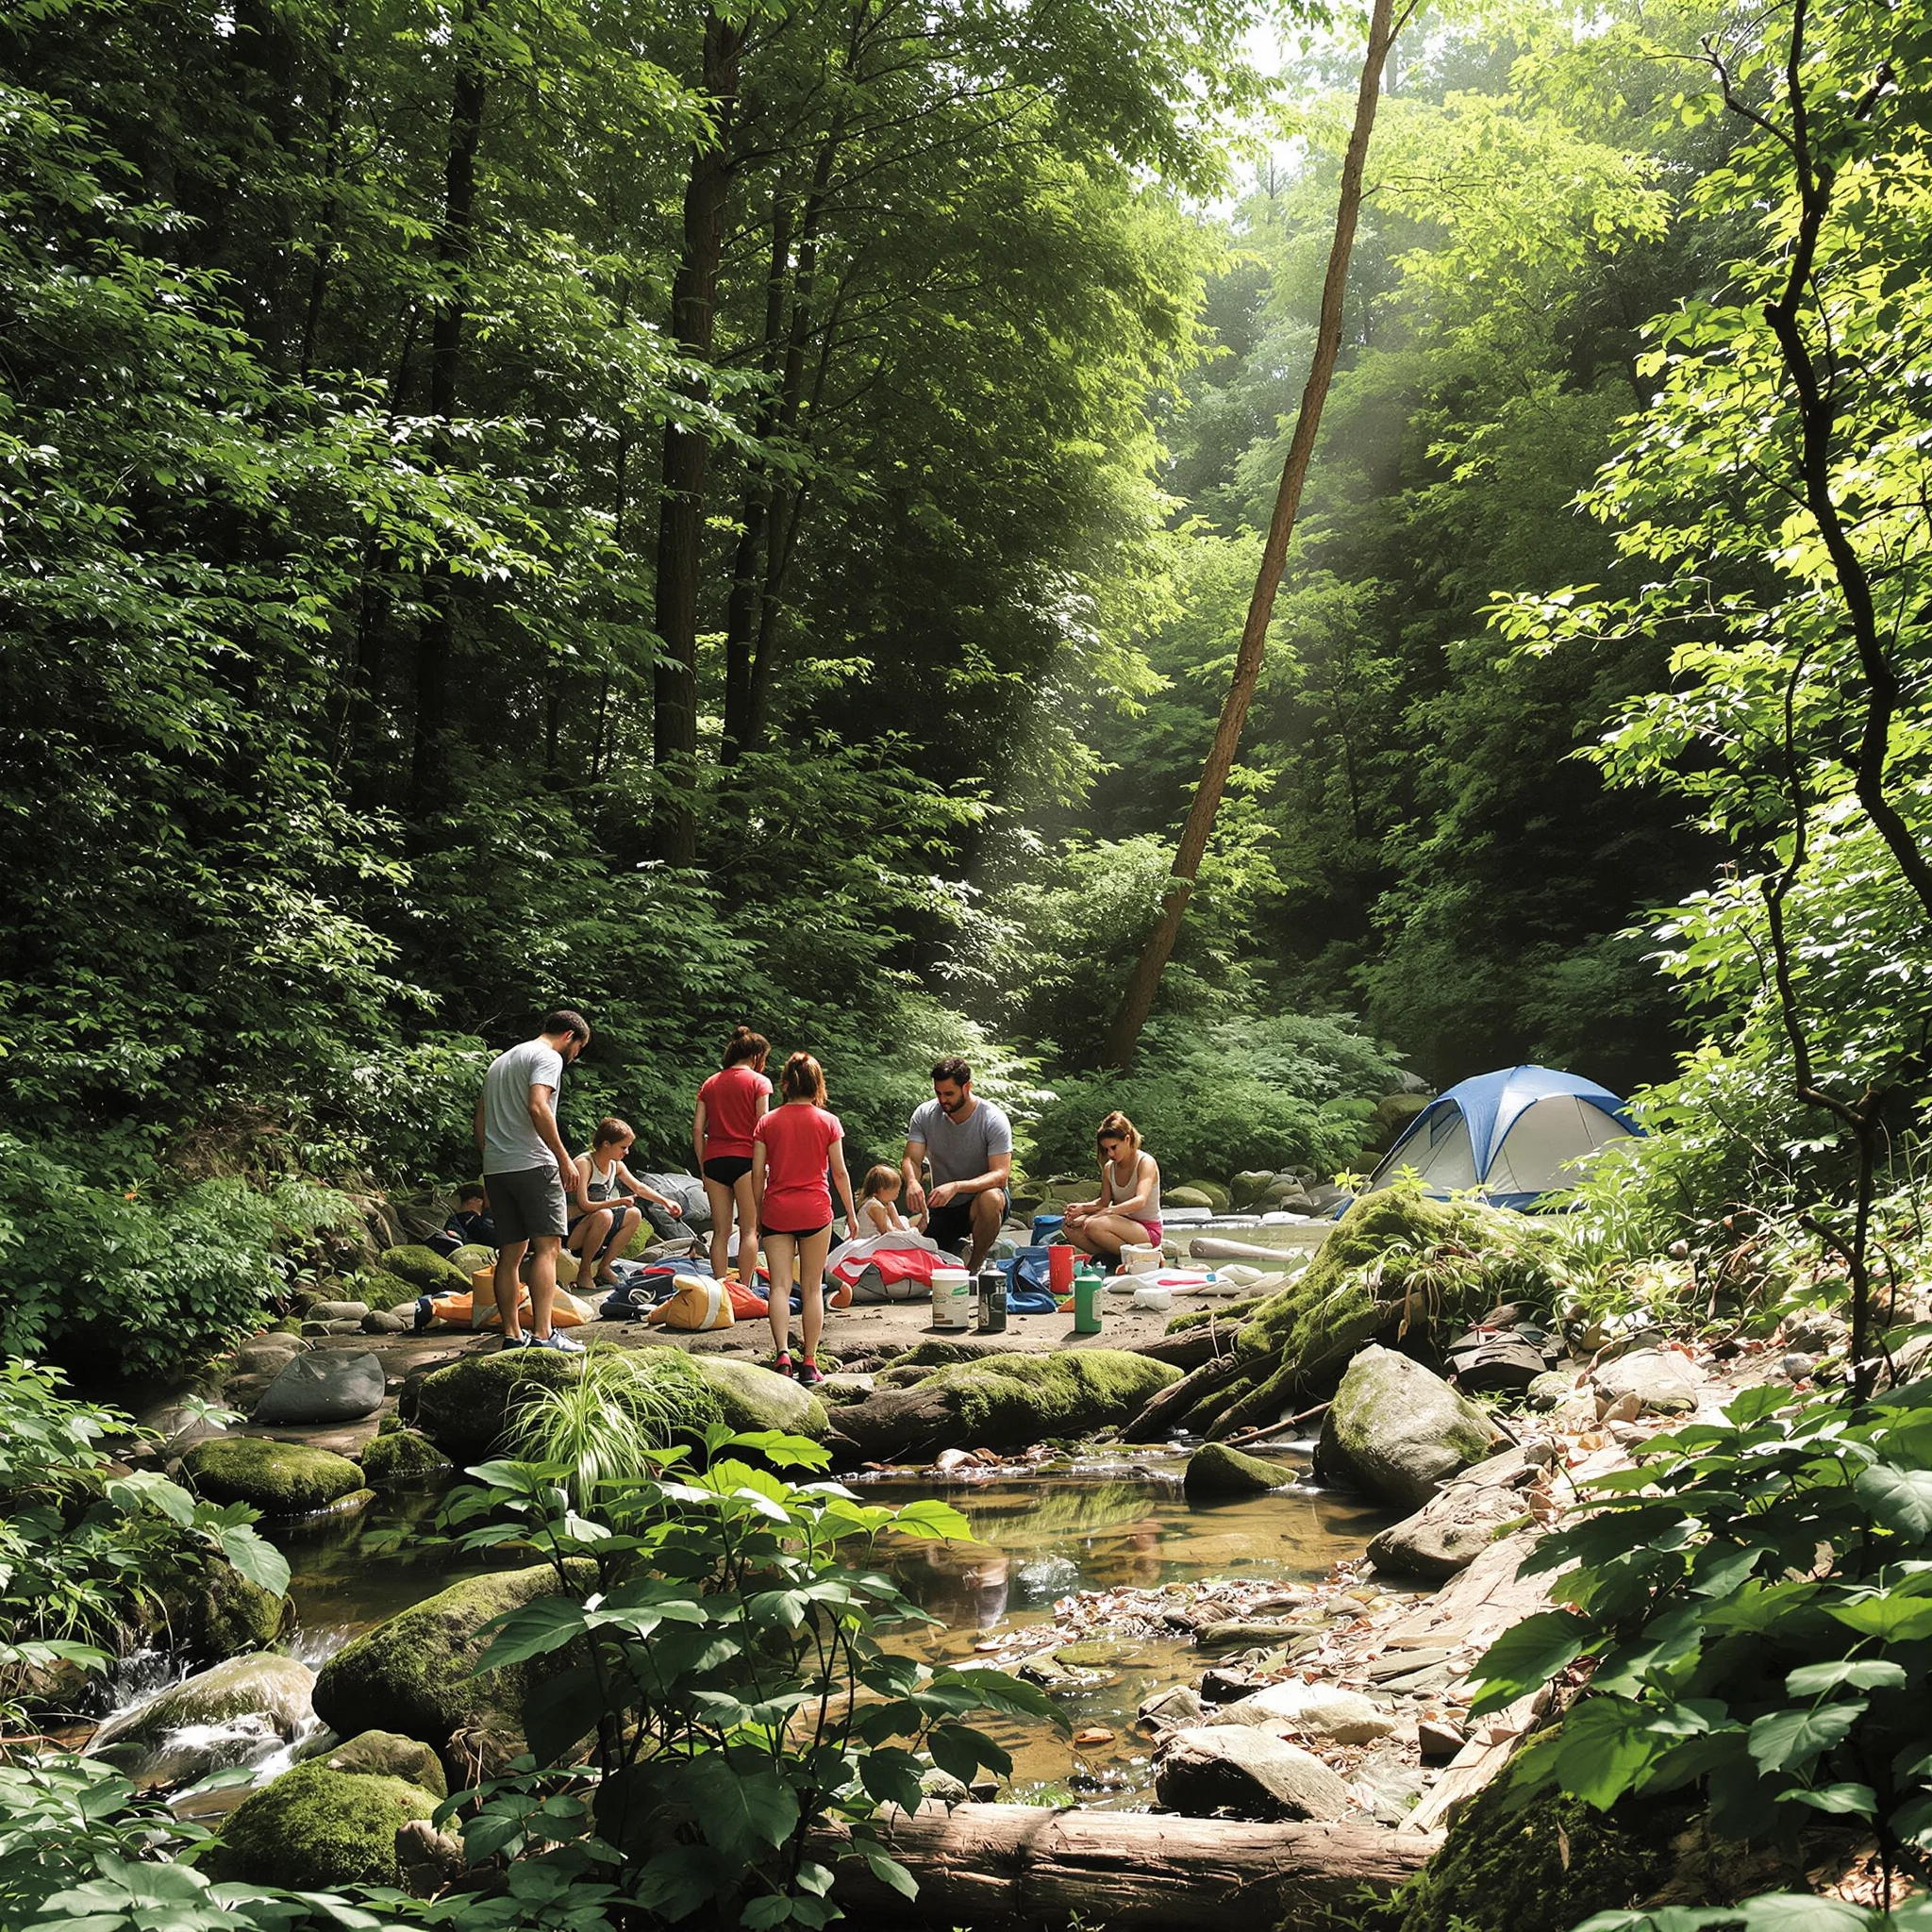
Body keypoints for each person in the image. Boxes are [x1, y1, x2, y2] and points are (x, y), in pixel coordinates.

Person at [474, 1008, 591, 1352]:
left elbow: (480, 1118)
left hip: (497, 1167)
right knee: (548, 1248)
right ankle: (544, 1334)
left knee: (509, 1253)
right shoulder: (547, 1057)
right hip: (533, 1165)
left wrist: (491, 1156)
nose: (574, 1058)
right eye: (578, 1050)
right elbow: (538, 1106)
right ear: (569, 1037)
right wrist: (563, 1157)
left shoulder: (500, 1062)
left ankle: (511, 1335)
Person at [751, 1052, 858, 1385]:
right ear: (817, 1085)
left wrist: (757, 1212)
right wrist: (851, 1214)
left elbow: (757, 1173)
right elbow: (839, 1173)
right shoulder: (828, 1122)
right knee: (813, 1288)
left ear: (785, 1084)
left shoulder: (768, 1122)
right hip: (815, 1211)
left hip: (777, 1211)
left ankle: (783, 1355)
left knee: (780, 1286)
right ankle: (809, 1363)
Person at [902, 1056, 1012, 1273]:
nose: (943, 1100)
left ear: (967, 1087)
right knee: (917, 1257)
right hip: (944, 1206)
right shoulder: (924, 1115)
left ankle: (974, 1267)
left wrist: (957, 1186)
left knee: (991, 1198)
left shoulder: (992, 1118)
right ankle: (958, 1249)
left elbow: (1001, 1174)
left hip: (980, 1201)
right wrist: (913, 1182)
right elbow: (911, 1158)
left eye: (949, 1094)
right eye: (938, 1093)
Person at [692, 1026, 773, 1282]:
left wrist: (703, 1168)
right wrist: (766, 1164)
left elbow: (697, 1129)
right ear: (757, 1056)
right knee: (749, 1229)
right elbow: (763, 1126)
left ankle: (718, 1286)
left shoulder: (710, 1082)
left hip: (715, 1160)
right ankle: (745, 1289)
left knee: (720, 1231)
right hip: (746, 1160)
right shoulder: (760, 1082)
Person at [567, 1118, 682, 1290]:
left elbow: (639, 1187)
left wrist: (666, 1202)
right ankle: (584, 1272)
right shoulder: (585, 1164)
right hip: (573, 1231)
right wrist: (617, 1202)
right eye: (623, 1147)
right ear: (606, 1144)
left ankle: (604, 1267)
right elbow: (584, 1204)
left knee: (634, 1214)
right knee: (606, 1215)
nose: (627, 1152)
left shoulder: (616, 1165)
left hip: (599, 1225)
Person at [1063, 1110, 1163, 1266]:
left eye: (1113, 1147)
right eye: (1106, 1149)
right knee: (1069, 1226)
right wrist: (1082, 1209)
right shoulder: (1109, 1168)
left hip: (1147, 1231)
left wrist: (1108, 1212)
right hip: (1119, 1224)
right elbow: (1103, 1202)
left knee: (1094, 1225)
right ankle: (1114, 1258)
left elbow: (1140, 1200)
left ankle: (1145, 1257)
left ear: (1127, 1139)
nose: (1110, 1153)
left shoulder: (1145, 1162)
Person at [855, 1164, 911, 1239]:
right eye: (894, 1187)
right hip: (872, 1241)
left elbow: (897, 1223)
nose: (898, 1190)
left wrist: (906, 1235)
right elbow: (885, 1231)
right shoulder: (875, 1206)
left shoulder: (888, 1203)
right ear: (881, 1189)